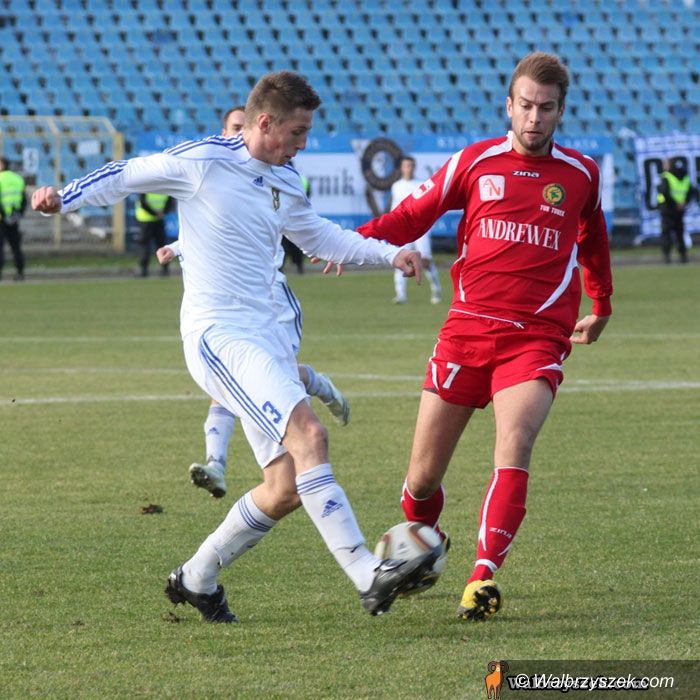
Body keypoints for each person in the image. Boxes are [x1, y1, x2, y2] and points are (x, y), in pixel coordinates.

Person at [32, 70, 438, 622]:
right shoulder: (203, 161)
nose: (303, 143)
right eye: (297, 132)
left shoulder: (285, 178)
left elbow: (317, 235)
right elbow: (127, 173)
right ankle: (367, 573)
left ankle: (196, 578)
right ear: (265, 122)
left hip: (266, 338)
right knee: (310, 435)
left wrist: (389, 254)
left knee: (285, 487)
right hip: (219, 334)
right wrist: (64, 197)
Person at [357, 52, 613, 621]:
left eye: (547, 108)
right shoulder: (475, 162)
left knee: (514, 443)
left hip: (536, 337)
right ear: (509, 105)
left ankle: (482, 576)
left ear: (561, 111)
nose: (535, 117)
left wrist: (602, 303)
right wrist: (354, 242)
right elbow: (412, 215)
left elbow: (593, 238)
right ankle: (426, 543)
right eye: (526, 105)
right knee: (421, 481)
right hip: (466, 333)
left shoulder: (581, 175)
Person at [156, 104, 351, 500]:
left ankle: (317, 384)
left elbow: (283, 227)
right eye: (232, 128)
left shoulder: (278, 174)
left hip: (272, 302)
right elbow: (217, 228)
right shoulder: (214, 170)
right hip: (230, 310)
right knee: (229, 380)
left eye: (241, 127)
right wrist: (178, 246)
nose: (236, 135)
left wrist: (333, 248)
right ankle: (217, 462)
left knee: (277, 379)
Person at [388, 155, 441, 305]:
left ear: (414, 167)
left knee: (426, 261)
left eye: (411, 166)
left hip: (420, 228)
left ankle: (436, 290)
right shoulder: (396, 186)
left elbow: (429, 206)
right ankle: (401, 295)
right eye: (406, 166)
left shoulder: (422, 184)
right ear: (401, 168)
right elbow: (394, 208)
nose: (409, 169)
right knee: (400, 259)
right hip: (404, 229)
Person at [657, 157, 695, 264]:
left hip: (667, 209)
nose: (664, 166)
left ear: (670, 165)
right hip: (680, 210)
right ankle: (683, 256)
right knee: (679, 233)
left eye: (665, 164)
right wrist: (684, 203)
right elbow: (691, 191)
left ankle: (667, 257)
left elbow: (665, 192)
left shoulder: (666, 176)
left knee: (666, 233)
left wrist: (675, 204)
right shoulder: (686, 176)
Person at [135, 191, 175, 276]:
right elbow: (170, 202)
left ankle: (144, 271)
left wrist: (156, 213)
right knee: (160, 244)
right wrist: (162, 213)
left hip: (147, 219)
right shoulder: (164, 186)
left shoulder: (145, 186)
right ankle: (163, 270)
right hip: (153, 219)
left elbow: (142, 202)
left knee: (147, 245)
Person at [0, 157, 27, 281]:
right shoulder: (18, 179)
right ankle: (20, 273)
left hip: (2, 219)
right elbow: (24, 199)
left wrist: (4, 215)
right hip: (14, 218)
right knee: (16, 247)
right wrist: (18, 214)